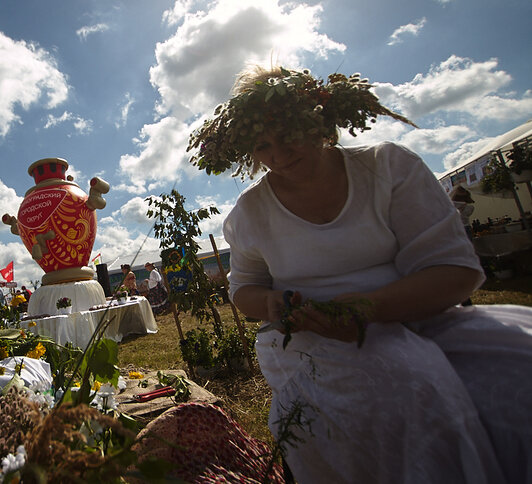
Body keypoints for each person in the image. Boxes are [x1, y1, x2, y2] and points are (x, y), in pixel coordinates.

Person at [199, 66, 532, 483]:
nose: (278, 155)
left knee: (517, 383)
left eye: (287, 134)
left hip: (424, 318)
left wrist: (363, 309)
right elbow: (243, 289)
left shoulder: (388, 168)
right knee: (407, 390)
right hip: (315, 340)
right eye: (262, 145)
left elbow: (453, 271)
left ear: (319, 119)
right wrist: (271, 304)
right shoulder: (250, 213)